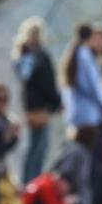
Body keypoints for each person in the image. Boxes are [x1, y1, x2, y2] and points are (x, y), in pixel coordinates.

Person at [13, 17, 62, 184]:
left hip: (31, 107)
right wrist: (56, 102)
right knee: (39, 149)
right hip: (41, 108)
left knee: (34, 147)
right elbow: (47, 83)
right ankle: (31, 183)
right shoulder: (39, 56)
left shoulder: (23, 56)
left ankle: (28, 181)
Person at [60, 24, 102, 151]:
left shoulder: (78, 53)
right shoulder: (84, 55)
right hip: (88, 116)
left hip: (79, 113)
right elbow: (94, 86)